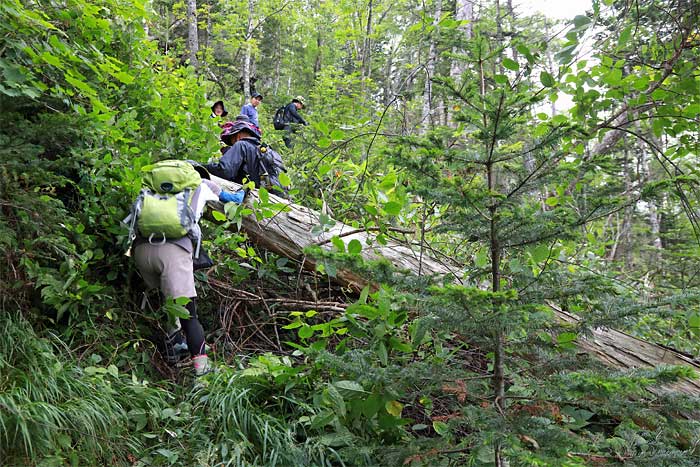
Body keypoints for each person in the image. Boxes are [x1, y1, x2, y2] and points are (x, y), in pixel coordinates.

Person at [128, 162, 244, 376]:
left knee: (169, 299)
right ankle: (203, 373)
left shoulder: (152, 189)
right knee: (189, 314)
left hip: (142, 251)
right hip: (173, 251)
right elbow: (235, 200)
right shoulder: (202, 183)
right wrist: (246, 191)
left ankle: (174, 347)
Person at [205, 117, 266, 186]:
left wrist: (202, 166)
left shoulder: (241, 145)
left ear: (238, 136)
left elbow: (224, 171)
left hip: (250, 194)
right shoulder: (262, 150)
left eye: (232, 142)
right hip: (268, 195)